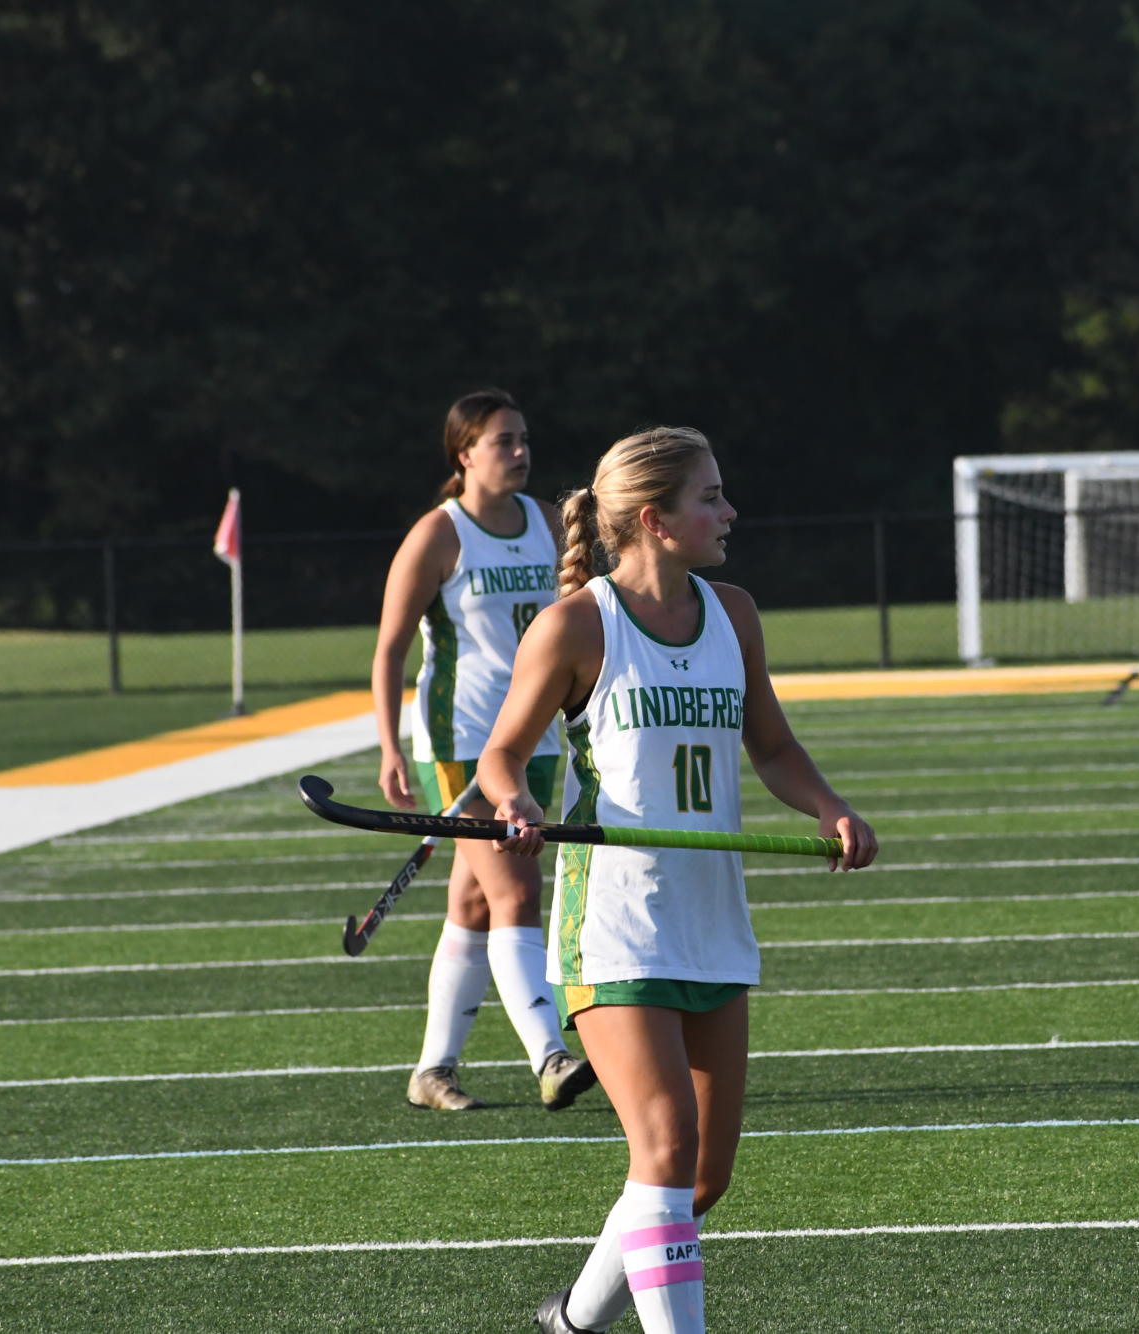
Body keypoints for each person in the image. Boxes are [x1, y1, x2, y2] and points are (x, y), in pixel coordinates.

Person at [476, 426, 878, 1334]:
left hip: (709, 917)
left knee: (700, 1178)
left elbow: (770, 746)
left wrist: (828, 807)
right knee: (660, 1147)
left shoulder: (732, 612)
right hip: (613, 919)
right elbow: (503, 756)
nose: (728, 512)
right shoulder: (579, 624)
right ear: (655, 521)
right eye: (711, 498)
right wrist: (515, 806)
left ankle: (569, 1323)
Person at [371, 388, 597, 1113]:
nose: (521, 451)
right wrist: (388, 747)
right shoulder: (439, 535)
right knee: (515, 890)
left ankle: (431, 1071)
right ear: (463, 454)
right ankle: (550, 1054)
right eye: (503, 441)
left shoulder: (546, 523)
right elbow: (390, 649)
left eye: (524, 438)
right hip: (459, 741)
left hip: (531, 735)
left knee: (472, 901)